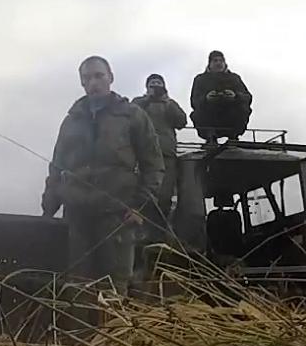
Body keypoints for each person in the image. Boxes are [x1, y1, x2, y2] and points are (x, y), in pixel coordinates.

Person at [41, 56, 164, 298]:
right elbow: (56, 167)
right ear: (82, 83)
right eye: (87, 78)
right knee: (77, 290)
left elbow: (154, 165)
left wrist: (140, 206)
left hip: (117, 217)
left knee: (113, 293)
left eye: (99, 76)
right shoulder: (71, 121)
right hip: (77, 217)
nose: (93, 83)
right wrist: (48, 209)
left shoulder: (132, 116)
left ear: (111, 77)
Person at [131, 73, 186, 238]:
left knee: (164, 196)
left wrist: (167, 102)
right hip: (143, 156)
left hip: (166, 155)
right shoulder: (139, 103)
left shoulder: (169, 104)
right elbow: (130, 118)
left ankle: (159, 234)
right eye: (152, 83)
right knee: (143, 195)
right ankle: (142, 234)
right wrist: (148, 99)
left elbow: (181, 122)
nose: (155, 86)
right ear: (146, 87)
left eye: (158, 83)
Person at [190, 50, 252, 143]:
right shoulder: (200, 79)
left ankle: (233, 137)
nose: (218, 63)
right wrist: (206, 98)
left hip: (231, 114)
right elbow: (194, 101)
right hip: (209, 116)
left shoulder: (234, 78)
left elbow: (248, 97)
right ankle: (210, 137)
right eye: (215, 60)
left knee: (243, 108)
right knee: (197, 113)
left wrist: (235, 96)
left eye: (221, 60)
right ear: (209, 63)